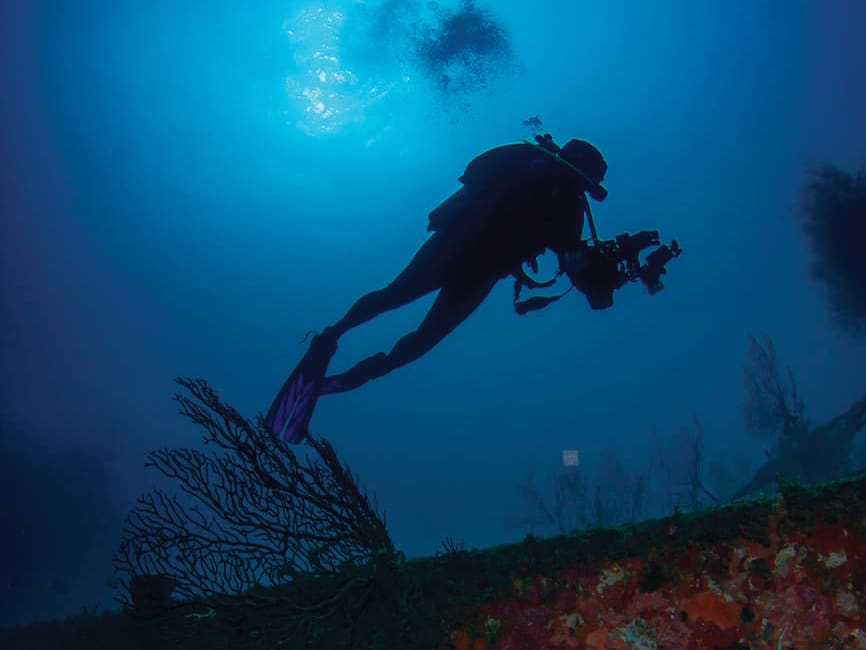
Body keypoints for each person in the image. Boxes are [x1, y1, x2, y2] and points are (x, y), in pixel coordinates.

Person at [266, 135, 611, 444]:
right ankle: (333, 342)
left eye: (584, 186)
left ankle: (338, 373)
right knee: (396, 302)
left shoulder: (567, 206)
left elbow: (570, 258)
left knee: (416, 330)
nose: (580, 189)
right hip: (460, 250)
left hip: (477, 267)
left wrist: (599, 280)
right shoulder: (533, 172)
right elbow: (568, 256)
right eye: (582, 182)